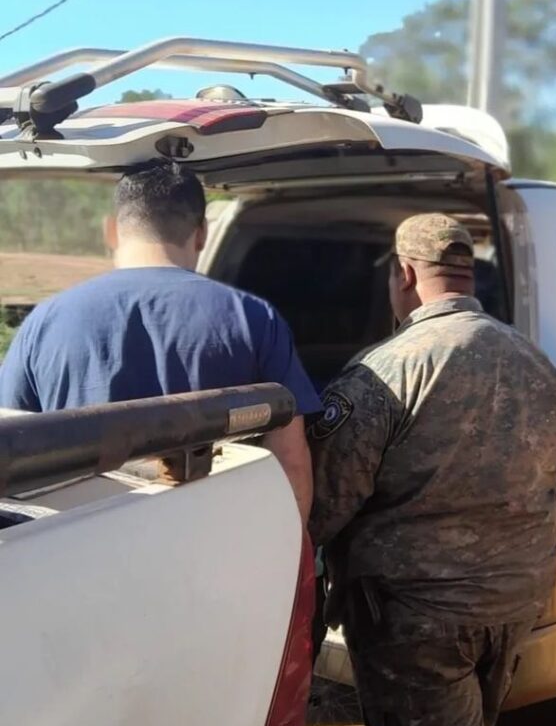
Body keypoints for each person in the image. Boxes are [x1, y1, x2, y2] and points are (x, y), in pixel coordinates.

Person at [306, 213, 556, 726]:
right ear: (467, 272)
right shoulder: (534, 363)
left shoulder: (385, 371)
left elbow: (327, 502)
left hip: (415, 616)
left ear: (404, 275)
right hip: (513, 599)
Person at [0, 160, 319, 521]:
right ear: (201, 233)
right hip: (217, 550)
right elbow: (290, 459)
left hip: (79, 552)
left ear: (111, 232)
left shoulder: (45, 321)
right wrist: (294, 564)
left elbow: (11, 451)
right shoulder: (254, 318)